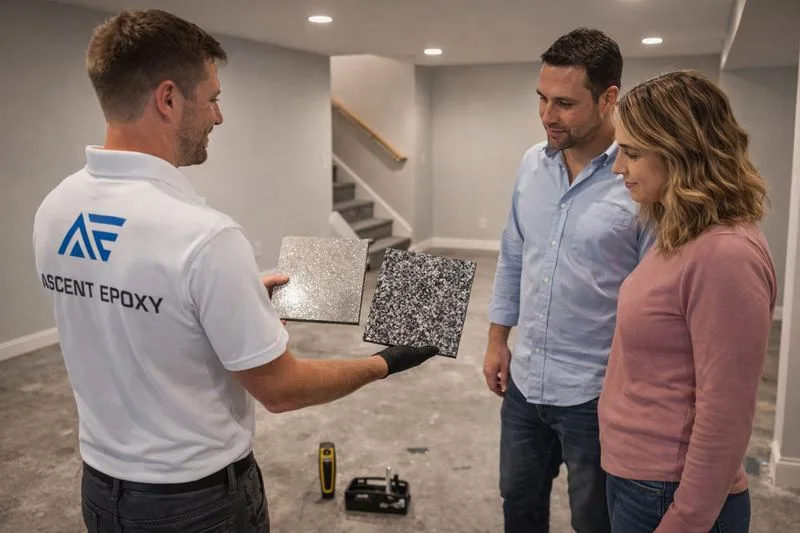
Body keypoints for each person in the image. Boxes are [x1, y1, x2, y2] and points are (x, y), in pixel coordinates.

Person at [32, 9, 437, 533]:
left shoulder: (56, 207)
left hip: (102, 491)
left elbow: (120, 305)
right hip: (196, 504)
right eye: (214, 98)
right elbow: (281, 389)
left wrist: (232, 300)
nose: (218, 117)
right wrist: (385, 361)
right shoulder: (204, 235)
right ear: (169, 99)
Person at [484, 28, 652, 533]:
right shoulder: (531, 164)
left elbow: (652, 300)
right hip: (525, 383)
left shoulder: (640, 179)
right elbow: (514, 254)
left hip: (596, 393)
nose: (547, 115)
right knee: (518, 505)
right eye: (541, 98)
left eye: (564, 103)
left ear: (608, 98)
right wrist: (497, 340)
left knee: (594, 520)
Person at [599, 70, 776, 533]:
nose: (619, 167)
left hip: (669, 492)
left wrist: (688, 518)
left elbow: (726, 411)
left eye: (633, 153)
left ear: (683, 153)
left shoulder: (725, 254)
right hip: (641, 477)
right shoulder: (680, 234)